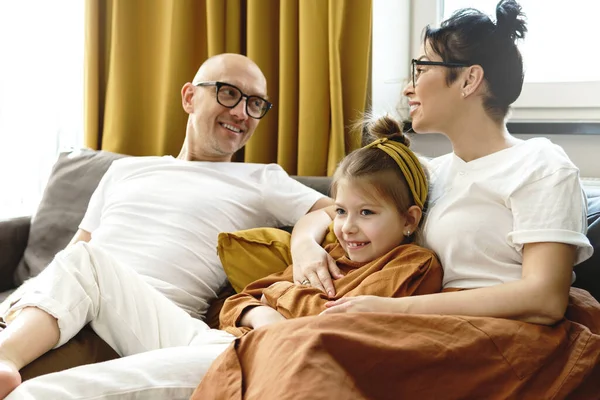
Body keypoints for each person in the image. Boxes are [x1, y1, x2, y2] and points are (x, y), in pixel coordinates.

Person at [190, 2, 600, 399]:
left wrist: (385, 311)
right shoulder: (430, 172)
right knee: (285, 341)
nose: (409, 86)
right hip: (431, 328)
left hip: (507, 337)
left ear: (470, 79)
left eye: (421, 69)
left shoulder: (540, 164)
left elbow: (544, 298)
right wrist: (305, 247)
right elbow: (332, 212)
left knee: (304, 344)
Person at [0, 53, 333, 399]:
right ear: (189, 97)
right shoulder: (123, 171)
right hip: (77, 299)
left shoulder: (261, 180)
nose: (241, 112)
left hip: (155, 322)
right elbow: (70, 253)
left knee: (87, 261)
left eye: (255, 103)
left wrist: (305, 241)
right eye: (229, 93)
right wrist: (20, 303)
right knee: (80, 261)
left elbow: (342, 211)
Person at [217, 116, 442, 337]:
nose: (347, 228)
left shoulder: (413, 265)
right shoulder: (330, 255)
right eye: (341, 212)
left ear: (408, 220)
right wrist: (263, 317)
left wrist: (276, 294)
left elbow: (335, 318)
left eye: (366, 212)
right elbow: (235, 304)